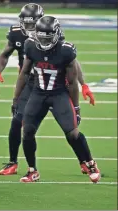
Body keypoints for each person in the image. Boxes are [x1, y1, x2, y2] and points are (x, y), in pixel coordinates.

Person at [0, 3, 95, 175]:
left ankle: (84, 161)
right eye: (27, 23)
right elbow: (7, 55)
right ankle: (13, 163)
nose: (30, 28)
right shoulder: (18, 33)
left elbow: (71, 63)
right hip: (30, 82)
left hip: (53, 83)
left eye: (34, 24)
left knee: (69, 127)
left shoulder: (52, 34)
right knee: (18, 121)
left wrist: (83, 84)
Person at [13, 16, 100, 183]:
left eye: (48, 37)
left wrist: (76, 107)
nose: (45, 41)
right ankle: (32, 171)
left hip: (59, 94)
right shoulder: (31, 45)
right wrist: (16, 99)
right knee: (27, 132)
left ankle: (90, 163)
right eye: (42, 37)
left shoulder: (66, 50)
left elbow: (73, 82)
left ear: (57, 33)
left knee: (72, 133)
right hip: (38, 93)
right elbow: (24, 73)